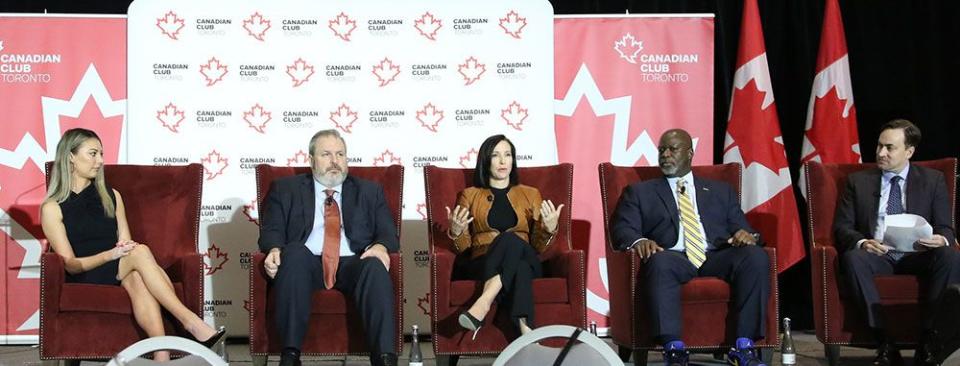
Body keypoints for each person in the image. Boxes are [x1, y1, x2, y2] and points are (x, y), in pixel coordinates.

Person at [40, 128, 225, 362]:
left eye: (102, 154)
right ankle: (190, 322)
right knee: (140, 253)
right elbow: (72, 265)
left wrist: (122, 252)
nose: (100, 161)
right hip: (86, 272)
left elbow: (125, 242)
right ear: (71, 157)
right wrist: (111, 255)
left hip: (119, 266)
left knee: (138, 273)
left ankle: (162, 356)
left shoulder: (112, 195)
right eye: (93, 154)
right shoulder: (52, 208)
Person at [610, 129, 770, 366]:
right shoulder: (641, 192)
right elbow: (622, 229)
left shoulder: (719, 191)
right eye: (661, 149)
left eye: (672, 149)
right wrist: (640, 241)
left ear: (690, 153)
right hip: (673, 256)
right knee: (659, 261)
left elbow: (743, 228)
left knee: (755, 257)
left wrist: (746, 236)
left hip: (715, 254)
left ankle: (744, 347)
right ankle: (673, 348)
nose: (665, 154)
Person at [259, 129, 399, 366]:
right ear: (311, 160)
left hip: (353, 260)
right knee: (293, 253)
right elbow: (271, 230)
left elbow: (388, 233)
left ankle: (385, 358)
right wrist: (273, 249)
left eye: (340, 154)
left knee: (374, 266)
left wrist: (381, 247)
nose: (335, 161)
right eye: (326, 154)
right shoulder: (285, 189)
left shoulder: (369, 191)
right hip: (306, 261)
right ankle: (290, 356)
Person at [834, 119, 959, 366]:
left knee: (950, 255)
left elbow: (946, 228)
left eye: (889, 148)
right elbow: (842, 227)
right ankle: (884, 342)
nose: (881, 153)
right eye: (879, 146)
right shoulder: (858, 182)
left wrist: (940, 239)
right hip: (879, 254)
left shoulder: (932, 180)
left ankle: (930, 340)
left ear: (909, 151)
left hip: (918, 254)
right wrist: (863, 242)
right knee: (853, 257)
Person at [446, 134, 563, 338]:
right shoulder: (470, 195)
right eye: (496, 155)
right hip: (484, 261)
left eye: (508, 155)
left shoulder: (530, 194)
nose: (502, 161)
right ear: (485, 160)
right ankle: (527, 334)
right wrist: (457, 232)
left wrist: (549, 229)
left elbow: (537, 247)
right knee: (520, 267)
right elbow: (464, 249)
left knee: (511, 241)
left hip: (527, 254)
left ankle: (483, 302)